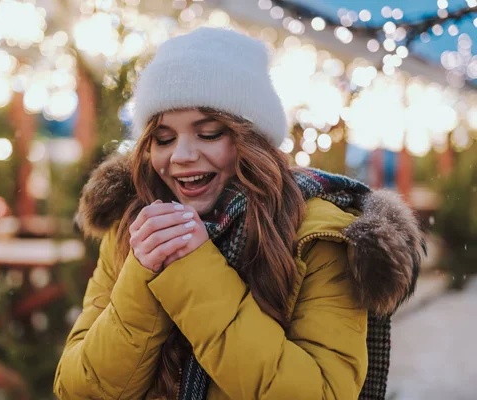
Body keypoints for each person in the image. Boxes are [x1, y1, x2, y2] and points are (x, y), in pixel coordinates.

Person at [54, 28, 425, 400]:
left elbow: (321, 392)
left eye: (209, 133)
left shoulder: (319, 236)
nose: (181, 155)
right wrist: (143, 273)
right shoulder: (133, 227)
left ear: (253, 141)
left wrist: (192, 269)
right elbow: (79, 388)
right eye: (163, 138)